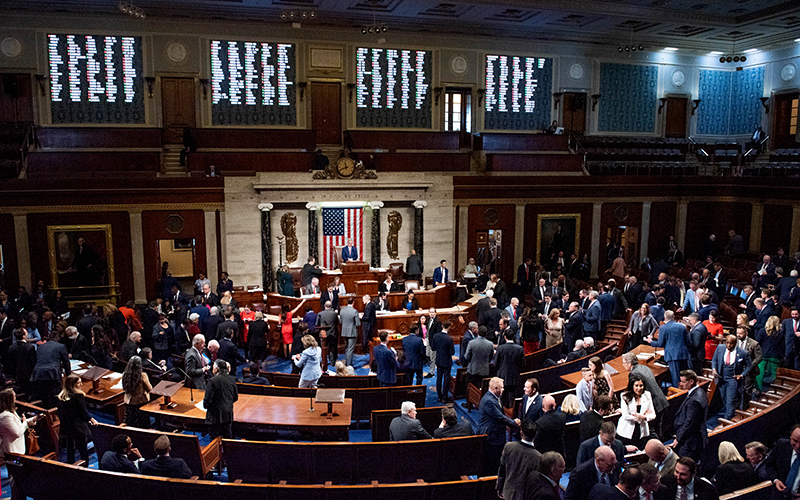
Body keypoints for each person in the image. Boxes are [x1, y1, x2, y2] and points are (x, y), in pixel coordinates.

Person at [478, 377, 521, 476]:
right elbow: (500, 417)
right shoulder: (489, 401)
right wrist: (514, 423)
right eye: (501, 388)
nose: (503, 389)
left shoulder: (495, 397)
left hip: (497, 434)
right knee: (491, 462)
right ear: (495, 388)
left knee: (497, 460)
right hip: (490, 437)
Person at [497, 419, 542, 500]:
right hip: (524, 496)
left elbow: (502, 470)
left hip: (507, 492)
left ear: (521, 433)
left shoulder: (509, 447)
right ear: (536, 434)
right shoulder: (538, 457)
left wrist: (499, 487)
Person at [57, 374, 98, 463]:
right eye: (78, 383)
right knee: (83, 449)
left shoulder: (61, 397)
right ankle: (85, 466)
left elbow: (59, 413)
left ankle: (70, 465)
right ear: (73, 385)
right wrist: (91, 419)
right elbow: (83, 411)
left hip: (67, 427)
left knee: (70, 449)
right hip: (78, 427)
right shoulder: (78, 396)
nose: (81, 385)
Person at [711, 334, 752, 420]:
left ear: (735, 343)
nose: (729, 345)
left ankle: (727, 421)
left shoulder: (742, 352)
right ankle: (729, 415)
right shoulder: (720, 348)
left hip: (732, 380)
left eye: (731, 343)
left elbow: (749, 366)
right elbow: (714, 360)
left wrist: (742, 374)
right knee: (724, 399)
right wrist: (714, 369)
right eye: (727, 343)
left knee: (730, 401)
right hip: (721, 378)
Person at [672, 370, 708, 462]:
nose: (681, 384)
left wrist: (679, 438)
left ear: (691, 381)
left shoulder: (694, 400)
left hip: (690, 444)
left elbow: (690, 423)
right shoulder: (700, 391)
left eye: (684, 382)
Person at [31, 329, 71, 409]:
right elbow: (66, 362)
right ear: (58, 339)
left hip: (38, 374)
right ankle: (53, 415)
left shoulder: (40, 347)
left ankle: (46, 415)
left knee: (44, 396)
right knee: (53, 397)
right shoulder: (61, 346)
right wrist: (69, 377)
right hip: (52, 374)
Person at [649, 310, 690, 388]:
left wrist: (651, 342)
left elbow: (660, 344)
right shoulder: (682, 326)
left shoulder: (663, 328)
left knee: (676, 379)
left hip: (673, 356)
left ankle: (677, 396)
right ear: (673, 317)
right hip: (683, 354)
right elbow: (687, 342)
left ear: (665, 318)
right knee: (685, 377)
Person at [617, 374, 656, 450]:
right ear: (632, 386)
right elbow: (625, 415)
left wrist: (644, 417)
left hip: (641, 430)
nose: (639, 388)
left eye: (641, 386)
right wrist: (638, 418)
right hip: (627, 431)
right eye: (636, 386)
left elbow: (653, 414)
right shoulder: (624, 395)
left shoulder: (647, 395)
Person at [203, 359, 238, 439]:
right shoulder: (232, 379)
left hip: (215, 415)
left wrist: (206, 406)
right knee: (227, 438)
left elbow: (208, 399)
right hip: (228, 414)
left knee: (214, 439)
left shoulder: (212, 381)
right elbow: (235, 397)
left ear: (216, 369)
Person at [763, 423, 800, 497]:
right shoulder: (782, 445)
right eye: (795, 441)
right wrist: (776, 480)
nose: (798, 446)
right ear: (790, 437)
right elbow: (769, 465)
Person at [121, 355, 152, 429]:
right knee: (143, 425)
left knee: (131, 423)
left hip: (129, 402)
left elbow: (124, 387)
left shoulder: (124, 374)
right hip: (141, 403)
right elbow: (150, 388)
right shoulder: (142, 375)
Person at [432, 320, 455, 402]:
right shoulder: (449, 338)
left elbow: (433, 348)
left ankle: (439, 396)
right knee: (446, 379)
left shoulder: (436, 336)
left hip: (438, 360)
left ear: (442, 326)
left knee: (439, 378)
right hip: (447, 361)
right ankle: (444, 397)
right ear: (449, 327)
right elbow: (452, 352)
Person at [316, 301, 339, 367]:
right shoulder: (334, 314)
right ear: (331, 306)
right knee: (332, 348)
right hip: (332, 333)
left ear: (324, 306)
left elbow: (317, 323)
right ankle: (332, 362)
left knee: (323, 348)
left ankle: (324, 362)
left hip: (323, 334)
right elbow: (337, 322)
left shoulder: (320, 314)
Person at [339, 298, 361, 366]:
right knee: (350, 349)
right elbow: (358, 324)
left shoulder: (342, 310)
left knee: (346, 347)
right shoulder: (354, 311)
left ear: (346, 302)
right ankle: (349, 364)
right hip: (352, 332)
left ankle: (346, 362)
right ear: (353, 302)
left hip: (344, 332)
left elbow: (340, 321)